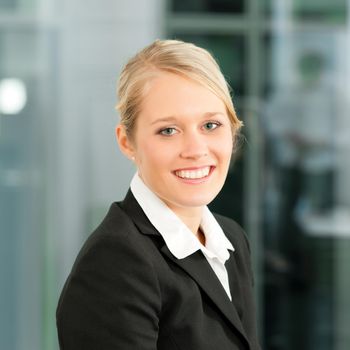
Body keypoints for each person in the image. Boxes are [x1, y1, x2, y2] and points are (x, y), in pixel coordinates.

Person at [56, 39, 261, 350]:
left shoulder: (230, 240)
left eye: (210, 125)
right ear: (127, 142)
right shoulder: (116, 263)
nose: (196, 150)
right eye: (168, 130)